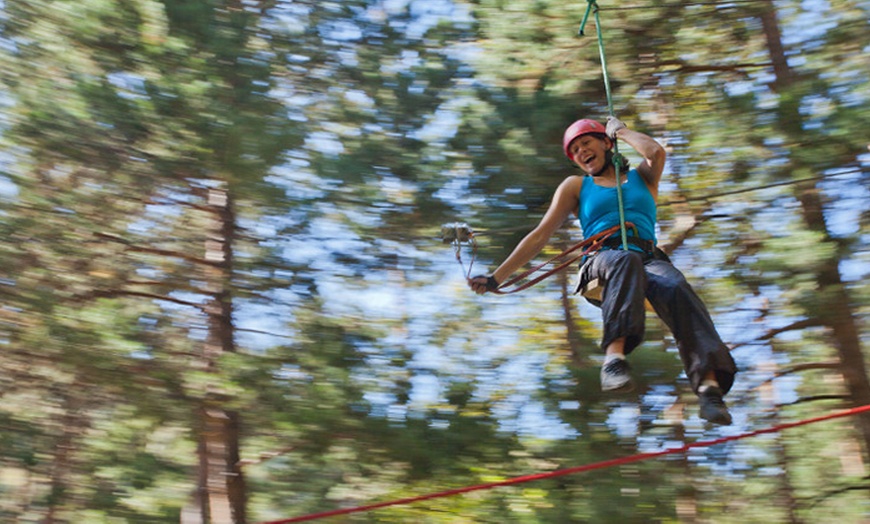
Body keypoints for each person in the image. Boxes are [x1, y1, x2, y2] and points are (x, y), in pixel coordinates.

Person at [468, 117, 737, 425]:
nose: (581, 152)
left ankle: (709, 388)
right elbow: (541, 234)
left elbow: (656, 152)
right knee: (625, 259)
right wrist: (496, 278)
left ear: (606, 144)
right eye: (575, 151)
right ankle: (614, 359)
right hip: (603, 260)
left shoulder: (642, 179)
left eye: (586, 144)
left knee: (676, 287)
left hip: (648, 259)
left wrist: (620, 130)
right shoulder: (576, 186)